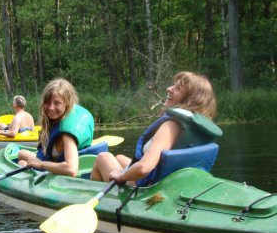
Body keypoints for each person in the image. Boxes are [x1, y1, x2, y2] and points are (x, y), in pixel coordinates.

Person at [90, 71, 221, 186]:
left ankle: (100, 204)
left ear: (190, 100)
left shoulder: (170, 126)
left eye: (178, 88)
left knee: (103, 157)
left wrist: (121, 176)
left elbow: (143, 168)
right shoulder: (197, 126)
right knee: (119, 158)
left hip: (147, 189)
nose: (169, 89)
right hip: (168, 183)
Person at [17, 78, 94, 177]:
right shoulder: (61, 119)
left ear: (67, 103)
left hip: (58, 170)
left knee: (22, 163)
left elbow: (71, 170)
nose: (51, 107)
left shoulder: (67, 134)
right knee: (21, 153)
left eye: (57, 103)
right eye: (48, 102)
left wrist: (41, 164)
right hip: (52, 160)